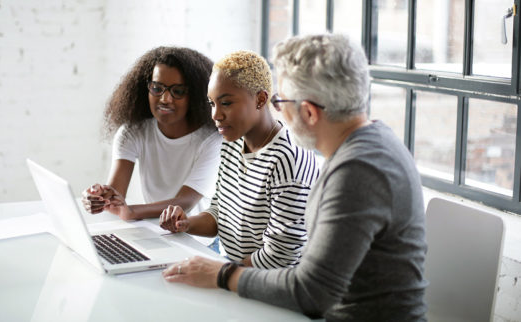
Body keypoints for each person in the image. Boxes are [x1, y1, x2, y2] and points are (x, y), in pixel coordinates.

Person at [162, 34, 428, 321]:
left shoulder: (357, 172)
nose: (278, 111)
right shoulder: (371, 142)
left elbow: (311, 293)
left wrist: (222, 273)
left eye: (280, 100)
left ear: (310, 112)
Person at [159, 50, 320, 269]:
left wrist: (218, 274)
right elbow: (219, 213)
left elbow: (281, 257)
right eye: (212, 103)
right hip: (231, 266)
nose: (215, 115)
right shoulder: (232, 142)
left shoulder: (289, 159)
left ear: (260, 99)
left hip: (270, 283)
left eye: (225, 103)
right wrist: (185, 224)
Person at [81, 46, 222, 222]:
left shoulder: (211, 141)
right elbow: (115, 194)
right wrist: (101, 198)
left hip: (198, 240)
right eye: (157, 88)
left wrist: (130, 211)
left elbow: (185, 202)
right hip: (155, 232)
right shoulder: (132, 133)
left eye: (177, 91)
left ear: (194, 96)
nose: (165, 99)